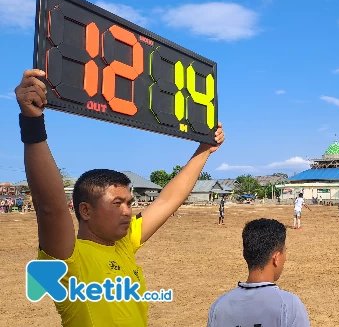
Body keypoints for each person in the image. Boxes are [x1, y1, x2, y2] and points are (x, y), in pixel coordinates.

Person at [16, 69, 225, 327]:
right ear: (86, 210)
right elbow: (51, 207)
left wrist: (204, 151)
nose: (128, 211)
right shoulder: (70, 260)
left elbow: (167, 201)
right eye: (117, 204)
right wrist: (32, 121)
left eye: (128, 203)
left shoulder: (123, 244)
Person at [207, 218, 310, 326]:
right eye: (284, 251)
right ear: (276, 258)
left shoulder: (219, 306)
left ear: (245, 254)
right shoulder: (289, 306)